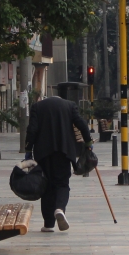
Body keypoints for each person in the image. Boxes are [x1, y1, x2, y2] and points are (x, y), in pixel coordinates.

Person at [25, 95, 93, 233]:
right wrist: (88, 143)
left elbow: (32, 129)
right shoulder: (69, 105)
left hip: (43, 153)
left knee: (46, 186)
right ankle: (60, 208)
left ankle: (48, 224)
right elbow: (81, 123)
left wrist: (28, 149)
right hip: (64, 152)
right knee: (62, 183)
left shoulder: (37, 107)